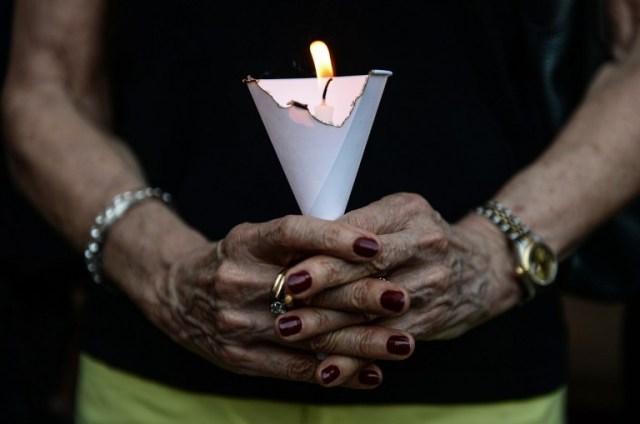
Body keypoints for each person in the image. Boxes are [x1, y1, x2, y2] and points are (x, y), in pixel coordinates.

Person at [2, 0, 640, 423]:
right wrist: (166, 274)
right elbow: (46, 85)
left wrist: (492, 256)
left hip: (480, 385)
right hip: (161, 380)